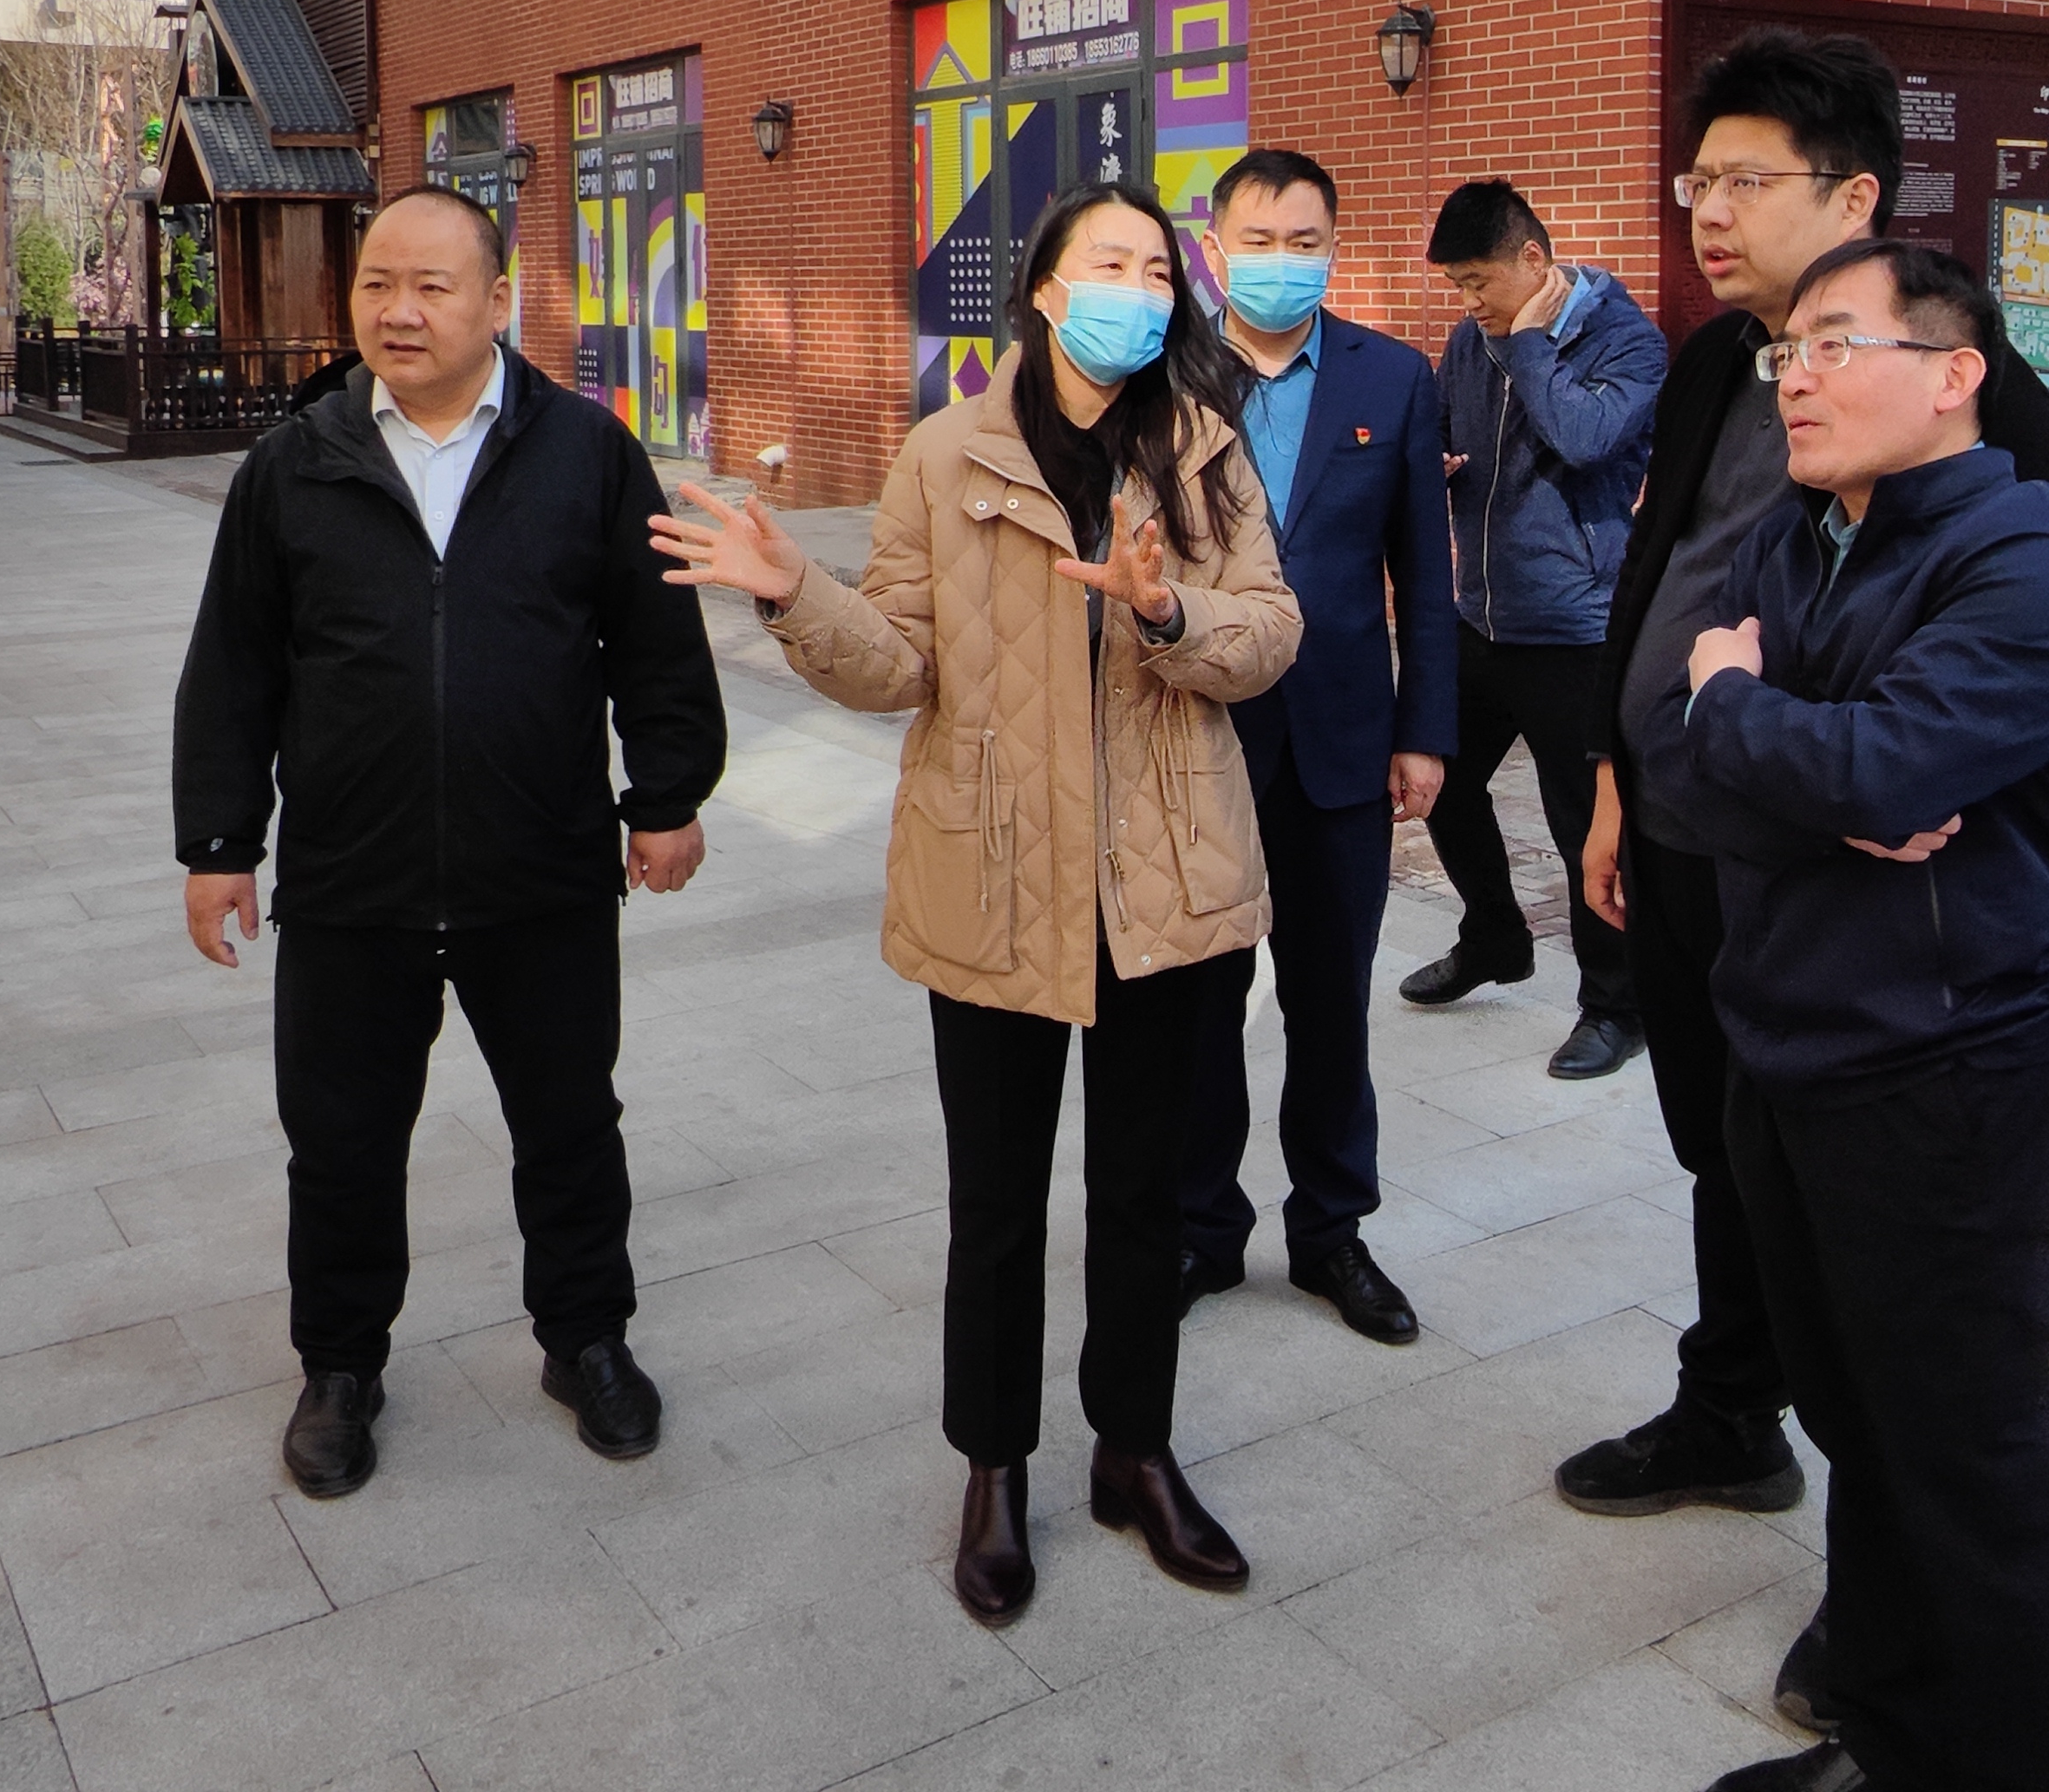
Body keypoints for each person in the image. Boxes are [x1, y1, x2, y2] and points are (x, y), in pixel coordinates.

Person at [651, 180, 1302, 1630]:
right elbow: (899, 663)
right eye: (1111, 265)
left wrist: (1162, 610)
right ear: (1048, 292)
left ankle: (1135, 1455)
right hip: (995, 876)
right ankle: (994, 1470)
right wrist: (794, 593)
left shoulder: (1201, 446)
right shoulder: (946, 455)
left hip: (1167, 881)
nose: (1140, 289)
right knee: (996, 1207)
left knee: (1144, 1196)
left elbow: (1271, 634)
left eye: (1158, 269)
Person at [1563, 29, 2049, 1737]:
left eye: (1742, 180)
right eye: (1694, 180)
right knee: (1751, 1186)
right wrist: (1640, 764)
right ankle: (1749, 1435)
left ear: (1854, 196)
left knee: (1943, 1411)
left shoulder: (1989, 455)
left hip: (1908, 987)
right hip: (1728, 881)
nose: (1704, 211)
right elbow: (1672, 599)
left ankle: (1924, 1664)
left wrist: (1790, 739)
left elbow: (1909, 744)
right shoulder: (1728, 376)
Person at [172, 185, 727, 1501]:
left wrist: (666, 796)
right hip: (350, 881)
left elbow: (653, 642)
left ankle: (586, 1340)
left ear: (497, 301)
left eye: (431, 285)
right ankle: (339, 1367)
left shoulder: (586, 453)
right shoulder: (294, 464)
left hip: (539, 871)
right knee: (342, 1143)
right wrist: (219, 842)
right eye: (378, 283)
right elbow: (234, 669)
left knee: (570, 1122)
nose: (399, 310)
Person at [1680, 237, 2049, 1792]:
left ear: (1954, 375)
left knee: (1970, 1459)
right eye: (1784, 352)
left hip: (1946, 1065)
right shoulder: (1790, 539)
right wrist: (1796, 758)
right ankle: (1891, 1733)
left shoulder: (2029, 556)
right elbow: (1697, 776)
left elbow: (1871, 765)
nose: (1794, 378)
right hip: (1783, 1037)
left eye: (1835, 345)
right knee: (1858, 1424)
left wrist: (1744, 709)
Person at [1176, 147, 1458, 1344]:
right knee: (1199, 1002)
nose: (1281, 263)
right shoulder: (1164, 372)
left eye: (1305, 243)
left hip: (1342, 742)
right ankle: (1200, 1225)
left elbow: (1425, 575)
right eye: (1258, 241)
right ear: (1214, 248)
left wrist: (1425, 732)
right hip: (1197, 738)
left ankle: (1331, 1230)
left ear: (1334, 248)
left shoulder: (1391, 377)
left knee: (1330, 1003)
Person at [1405, 178, 1666, 1079]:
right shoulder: (1469, 338)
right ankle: (1493, 937)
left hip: (1576, 627)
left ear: (1532, 259)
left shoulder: (1627, 341)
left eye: (1479, 281)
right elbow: (1441, 430)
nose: (1469, 302)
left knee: (1580, 823)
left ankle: (1616, 1006)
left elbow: (1585, 438)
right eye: (1457, 286)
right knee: (1437, 779)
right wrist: (1432, 468)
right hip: (1480, 614)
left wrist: (1525, 341)